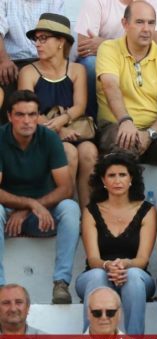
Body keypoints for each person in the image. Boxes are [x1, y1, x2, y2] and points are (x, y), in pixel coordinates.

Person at [96, 0, 157, 188]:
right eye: (139, 22)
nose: (147, 29)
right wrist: (125, 121)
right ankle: (129, 208)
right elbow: (110, 86)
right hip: (117, 126)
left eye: (151, 23)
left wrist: (151, 133)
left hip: (153, 133)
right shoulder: (109, 49)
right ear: (125, 24)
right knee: (125, 139)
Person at [0, 90, 80, 304]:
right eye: (20, 115)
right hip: (7, 215)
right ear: (9, 116)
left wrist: (29, 209)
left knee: (70, 208)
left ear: (38, 116)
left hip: (41, 216)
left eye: (32, 114)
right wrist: (29, 203)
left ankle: (61, 283)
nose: (27, 121)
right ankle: (0, 287)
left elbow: (65, 188)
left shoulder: (49, 138)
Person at [18, 13, 98, 210]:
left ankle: (88, 214)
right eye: (36, 39)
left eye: (43, 38)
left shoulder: (77, 70)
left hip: (73, 127)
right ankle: (64, 210)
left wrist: (63, 120)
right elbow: (27, 112)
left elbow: (80, 105)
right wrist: (59, 131)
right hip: (40, 133)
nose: (37, 44)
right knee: (68, 152)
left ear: (61, 41)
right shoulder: (28, 72)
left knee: (89, 151)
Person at [75, 152, 156, 334]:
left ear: (131, 179)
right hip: (96, 273)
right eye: (112, 175)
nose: (117, 180)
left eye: (122, 175)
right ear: (103, 180)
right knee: (98, 276)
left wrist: (125, 264)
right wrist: (108, 265)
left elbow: (143, 259)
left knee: (134, 275)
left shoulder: (147, 210)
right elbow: (93, 258)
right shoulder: (91, 211)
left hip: (137, 276)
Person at [75, 0, 157, 120]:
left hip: (138, 57)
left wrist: (104, 43)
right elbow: (84, 46)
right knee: (91, 64)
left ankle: (146, 120)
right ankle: (91, 121)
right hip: (105, 60)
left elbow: (156, 43)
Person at [0, 0, 64, 123]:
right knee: (6, 90)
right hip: (11, 62)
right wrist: (3, 60)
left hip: (44, 60)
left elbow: (59, 35)